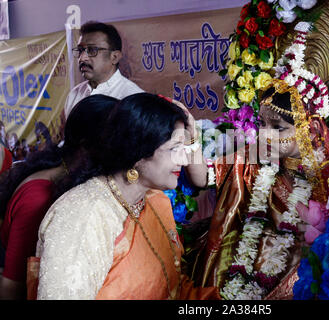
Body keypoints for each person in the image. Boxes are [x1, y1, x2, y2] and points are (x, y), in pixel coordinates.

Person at [29, 93, 218, 300]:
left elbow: (173, 287)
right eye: (174, 149)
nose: (184, 159)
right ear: (138, 153)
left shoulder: (155, 200)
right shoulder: (82, 217)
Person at [190, 78, 329, 300]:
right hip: (243, 262)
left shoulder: (328, 178)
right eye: (262, 124)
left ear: (309, 129)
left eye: (278, 128)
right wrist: (190, 137)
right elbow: (203, 178)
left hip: (297, 275)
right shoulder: (253, 157)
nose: (265, 135)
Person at [0, 95, 118, 300]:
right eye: (116, 142)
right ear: (87, 145)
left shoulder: (68, 175)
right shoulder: (38, 197)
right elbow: (12, 286)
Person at [62, 20, 144, 122]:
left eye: (92, 50)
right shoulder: (75, 94)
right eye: (80, 50)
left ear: (115, 57)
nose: (82, 58)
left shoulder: (132, 97)